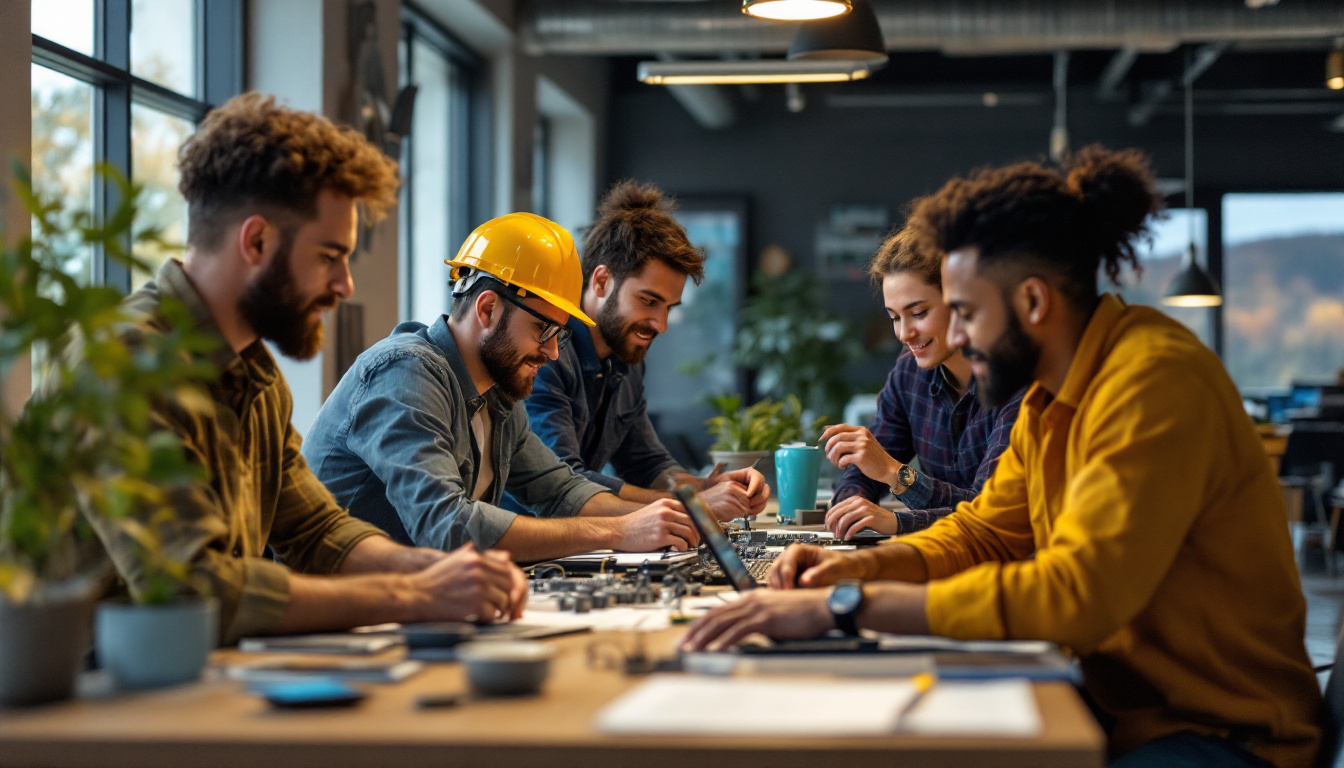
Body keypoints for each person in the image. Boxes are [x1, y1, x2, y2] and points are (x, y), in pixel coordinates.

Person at [680, 146, 1321, 768]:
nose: (950, 337)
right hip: (1120, 707)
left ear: (1033, 303)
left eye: (962, 313)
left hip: (1226, 732)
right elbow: (986, 532)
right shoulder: (1049, 394)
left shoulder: (1152, 382)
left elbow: (1077, 595)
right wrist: (854, 573)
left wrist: (846, 607)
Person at [79, 93, 528, 645]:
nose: (345, 285)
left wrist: (437, 575)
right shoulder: (127, 366)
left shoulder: (253, 371)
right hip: (91, 710)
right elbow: (194, 590)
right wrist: (417, 597)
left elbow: (319, 530)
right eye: (329, 256)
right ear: (257, 241)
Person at [303, 212, 702, 563]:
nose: (550, 352)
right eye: (543, 329)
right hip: (329, 623)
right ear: (488, 308)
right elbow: (448, 526)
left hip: (410, 608)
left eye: (559, 335)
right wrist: (619, 531)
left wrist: (667, 519)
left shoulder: (499, 395)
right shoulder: (406, 373)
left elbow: (561, 491)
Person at [511, 181, 769, 523]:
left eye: (669, 307)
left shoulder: (625, 357)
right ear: (601, 282)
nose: (660, 324)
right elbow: (566, 482)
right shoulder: (547, 354)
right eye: (648, 301)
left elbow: (647, 463)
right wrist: (693, 505)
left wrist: (708, 485)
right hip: (526, 553)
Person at [820, 227, 1022, 539]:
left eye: (918, 313)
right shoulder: (909, 374)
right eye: (894, 317)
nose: (904, 334)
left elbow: (990, 514)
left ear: (962, 301)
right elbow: (867, 468)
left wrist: (895, 486)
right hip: (938, 559)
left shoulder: (1018, 383)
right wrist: (851, 505)